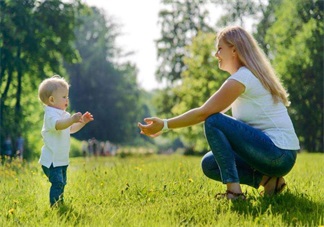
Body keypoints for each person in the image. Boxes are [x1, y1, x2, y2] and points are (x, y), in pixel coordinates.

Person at [138, 26, 300, 200]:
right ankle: (269, 182)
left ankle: (234, 193)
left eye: (220, 48)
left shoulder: (243, 77)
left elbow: (204, 114)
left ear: (234, 50)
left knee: (213, 121)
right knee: (210, 163)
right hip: (279, 155)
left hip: (278, 154)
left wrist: (165, 125)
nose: (216, 54)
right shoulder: (248, 76)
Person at [38, 75, 94, 207]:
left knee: (62, 182)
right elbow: (59, 125)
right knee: (58, 183)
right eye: (64, 97)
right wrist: (72, 119)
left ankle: (59, 202)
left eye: (67, 96)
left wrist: (82, 122)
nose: (67, 99)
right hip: (51, 161)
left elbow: (70, 129)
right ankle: (55, 206)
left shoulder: (65, 115)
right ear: (52, 100)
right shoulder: (50, 115)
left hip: (61, 159)